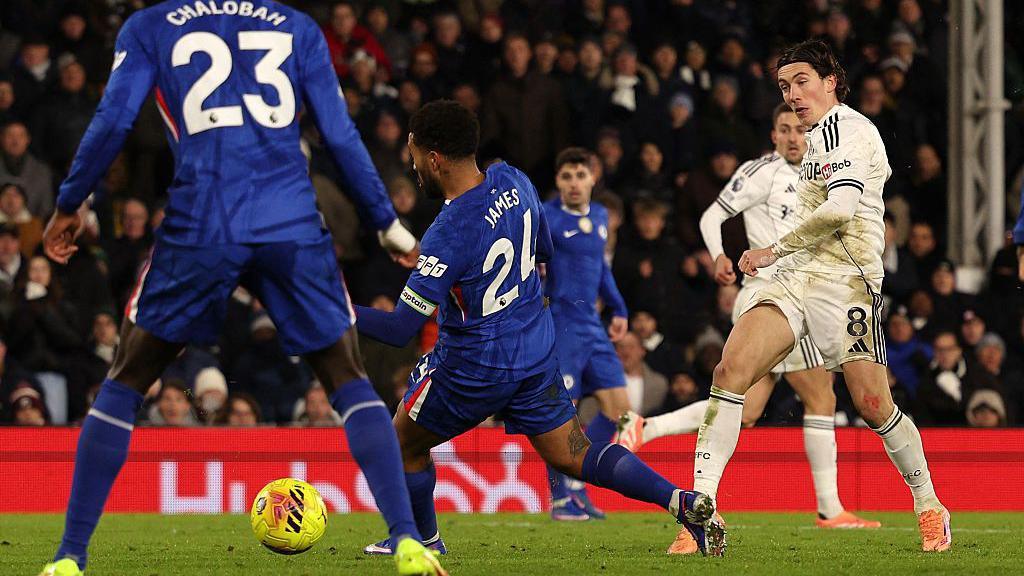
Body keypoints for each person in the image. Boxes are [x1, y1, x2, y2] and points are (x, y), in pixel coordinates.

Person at [38, 3, 444, 575]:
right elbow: (338, 130)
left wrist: (69, 202)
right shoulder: (296, 26)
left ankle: (69, 559)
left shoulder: (152, 25)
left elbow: (112, 120)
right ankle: (406, 539)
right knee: (347, 378)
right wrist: (386, 221)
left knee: (128, 377)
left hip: (203, 217)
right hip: (290, 220)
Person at [351, 100, 722, 558]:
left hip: (474, 368)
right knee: (576, 453)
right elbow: (543, 250)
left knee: (403, 443)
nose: (411, 165)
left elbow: (399, 327)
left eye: (413, 155)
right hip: (533, 353)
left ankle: (422, 540)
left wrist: (339, 311)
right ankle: (680, 501)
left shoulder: (446, 232)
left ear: (433, 159)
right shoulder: (514, 181)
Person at [686, 40, 950, 555]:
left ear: (832, 80)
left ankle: (928, 503)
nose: (793, 94)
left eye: (802, 80)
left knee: (873, 404)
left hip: (847, 281)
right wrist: (779, 258)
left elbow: (839, 210)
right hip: (793, 277)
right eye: (785, 86)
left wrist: (769, 249)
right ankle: (699, 512)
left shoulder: (851, 131)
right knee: (730, 371)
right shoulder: (811, 141)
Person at [617, 103, 879, 542]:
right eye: (784, 129)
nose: (794, 136)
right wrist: (719, 254)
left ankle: (649, 427)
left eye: (800, 129)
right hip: (773, 298)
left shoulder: (823, 167)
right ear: (773, 135)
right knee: (820, 396)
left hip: (798, 296)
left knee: (747, 408)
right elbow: (711, 215)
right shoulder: (762, 172)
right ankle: (828, 508)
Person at [541, 147, 630, 521]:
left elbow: (600, 268)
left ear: (593, 177)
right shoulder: (545, 218)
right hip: (561, 324)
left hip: (592, 326)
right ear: (558, 182)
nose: (574, 184)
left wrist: (619, 307)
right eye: (566, 177)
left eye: (580, 175)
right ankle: (561, 497)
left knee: (619, 409)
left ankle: (577, 480)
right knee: (564, 414)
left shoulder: (601, 215)